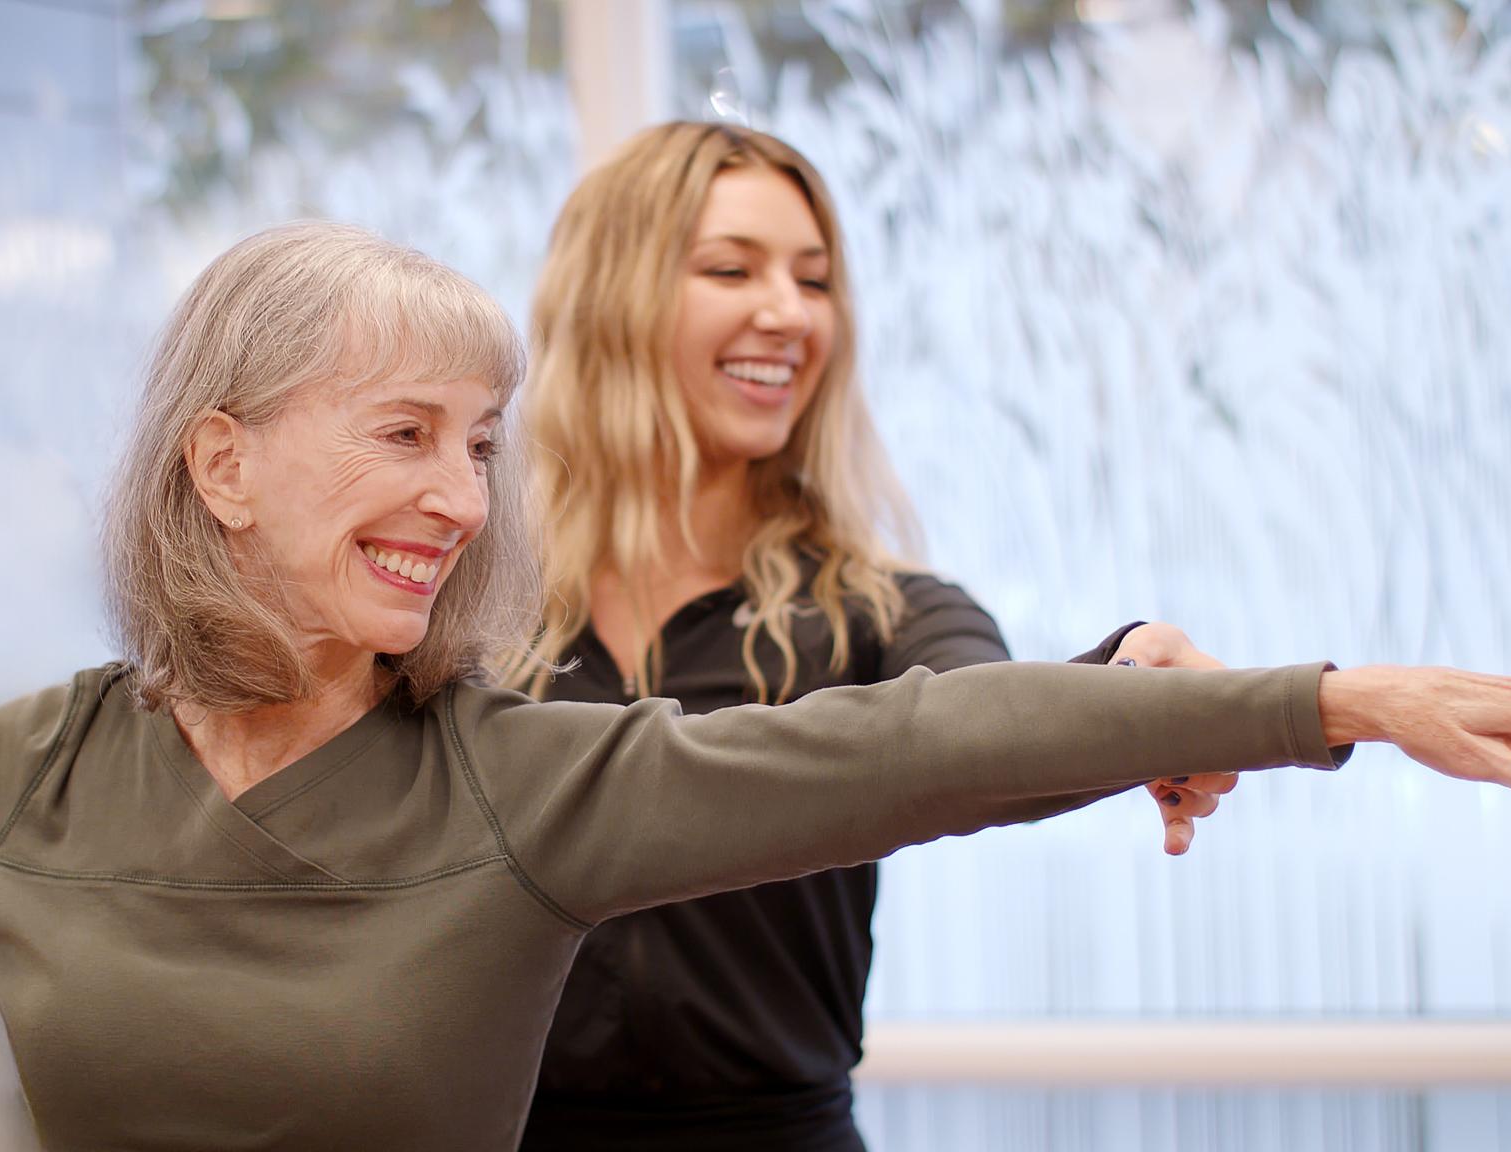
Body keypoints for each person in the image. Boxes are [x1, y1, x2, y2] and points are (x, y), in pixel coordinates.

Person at [0, 221, 1511, 1152]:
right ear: (221, 461)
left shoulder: (518, 781)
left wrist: (1310, 697)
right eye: (403, 437)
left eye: (479, 446)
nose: (463, 499)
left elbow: (920, 739)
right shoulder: (31, 768)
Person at [509, 121, 1227, 1151]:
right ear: (608, 298)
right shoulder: (471, 612)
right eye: (729, 268)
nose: (787, 314)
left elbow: (990, 726)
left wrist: (1127, 682)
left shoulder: (878, 611)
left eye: (814, 280)